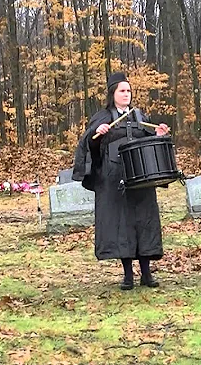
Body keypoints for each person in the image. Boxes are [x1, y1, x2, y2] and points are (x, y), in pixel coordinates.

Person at [72, 72, 170, 290]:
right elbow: (90, 144)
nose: (126, 94)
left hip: (140, 177)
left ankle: (146, 274)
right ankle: (127, 276)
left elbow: (148, 141)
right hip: (115, 179)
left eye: (128, 91)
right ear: (113, 94)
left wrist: (160, 135)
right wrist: (96, 133)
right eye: (122, 91)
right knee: (122, 224)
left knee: (143, 222)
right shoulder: (102, 116)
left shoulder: (139, 116)